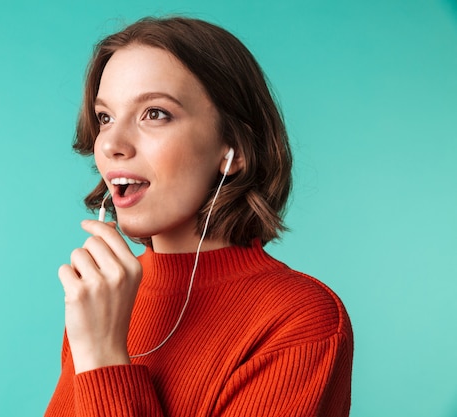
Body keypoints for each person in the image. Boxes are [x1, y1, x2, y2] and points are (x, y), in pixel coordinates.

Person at [45, 16, 353, 417]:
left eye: (155, 113)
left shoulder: (300, 320)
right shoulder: (102, 300)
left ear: (233, 149)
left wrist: (104, 356)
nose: (112, 145)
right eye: (105, 117)